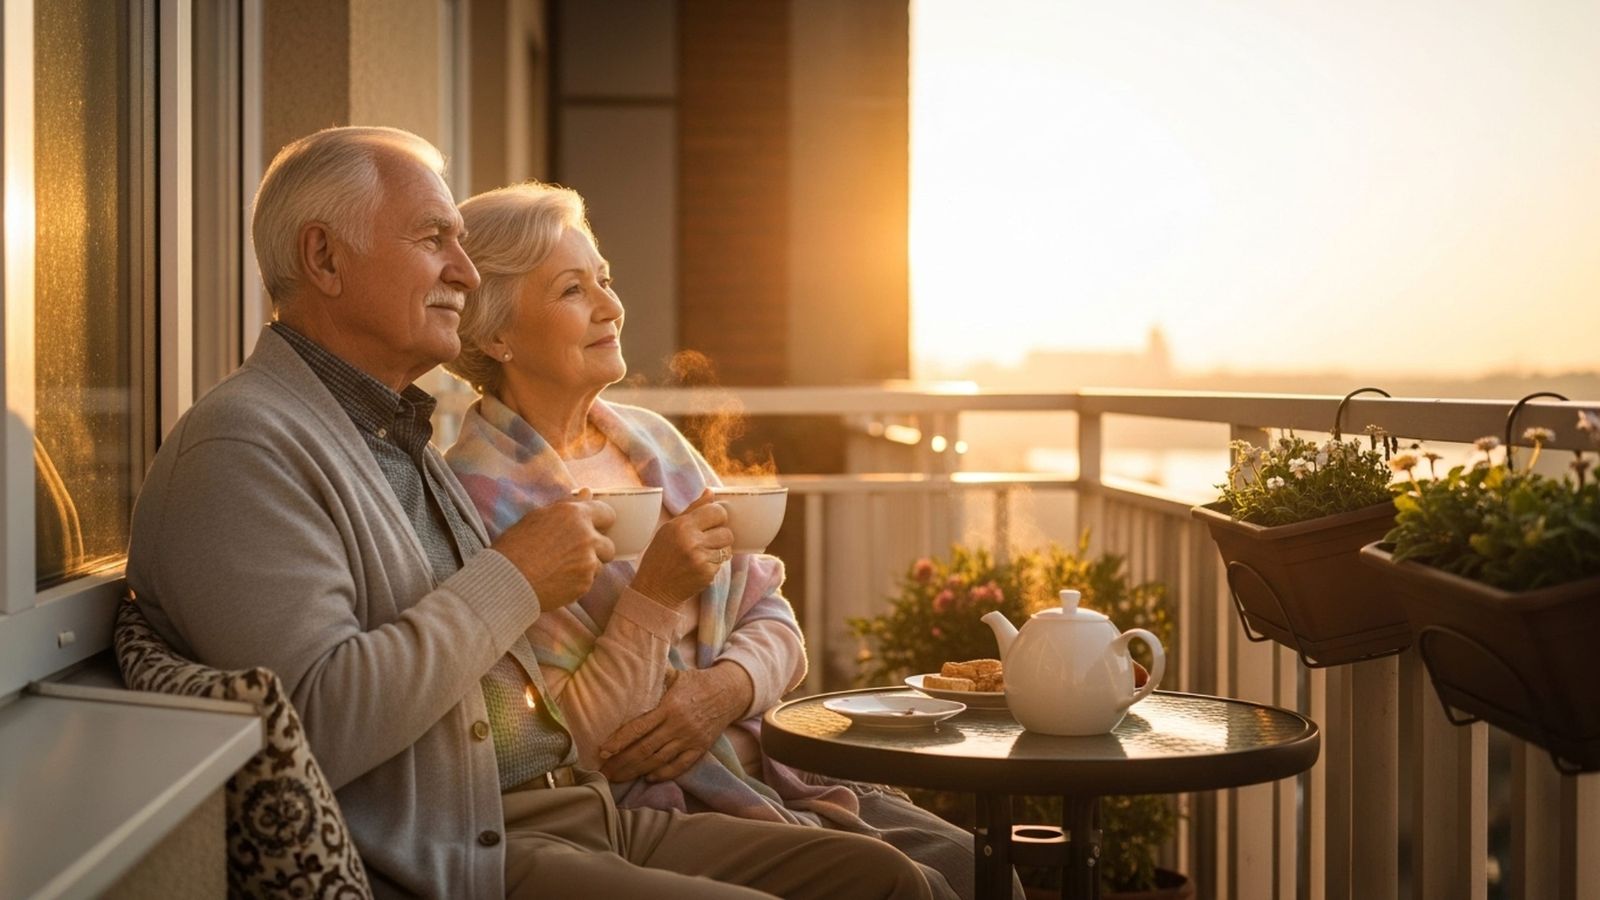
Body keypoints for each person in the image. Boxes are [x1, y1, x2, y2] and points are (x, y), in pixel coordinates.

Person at [125, 125, 934, 900]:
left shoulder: (387, 436)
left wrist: (708, 691)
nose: (463, 272)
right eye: (433, 239)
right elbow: (319, 728)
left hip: (579, 804)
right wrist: (516, 575)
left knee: (883, 879)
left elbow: (503, 702)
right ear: (325, 258)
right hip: (472, 843)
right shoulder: (244, 449)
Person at [442, 181, 1020, 900]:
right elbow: (576, 744)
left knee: (981, 870)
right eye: (571, 290)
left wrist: (725, 689)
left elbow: (775, 619)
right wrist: (655, 597)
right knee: (910, 883)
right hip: (652, 806)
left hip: (765, 761)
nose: (610, 306)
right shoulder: (480, 501)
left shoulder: (653, 443)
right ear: (496, 335)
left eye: (605, 280)